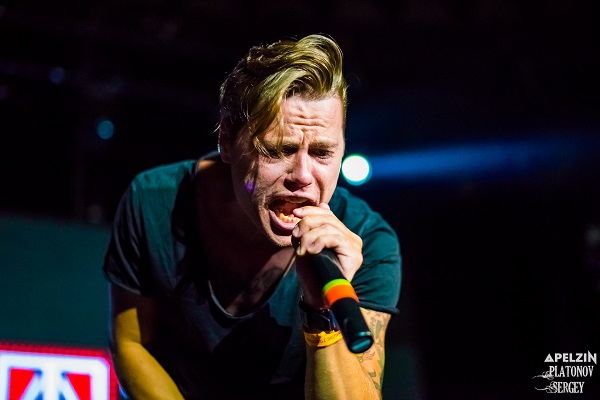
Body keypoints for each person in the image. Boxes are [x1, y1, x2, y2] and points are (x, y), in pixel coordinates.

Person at [103, 33, 401, 400]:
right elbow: (131, 343)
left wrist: (318, 309)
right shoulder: (153, 201)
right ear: (226, 142)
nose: (303, 176)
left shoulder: (368, 242)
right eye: (277, 150)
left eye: (322, 153)